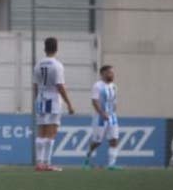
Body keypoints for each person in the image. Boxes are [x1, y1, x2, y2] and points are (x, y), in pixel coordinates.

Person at [33, 37, 75, 172]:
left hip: (40, 98)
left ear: (44, 48)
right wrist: (69, 103)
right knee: (52, 132)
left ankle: (39, 163)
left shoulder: (38, 64)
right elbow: (60, 86)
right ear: (56, 48)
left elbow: (35, 85)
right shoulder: (57, 65)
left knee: (41, 131)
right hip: (53, 100)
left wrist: (37, 99)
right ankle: (47, 163)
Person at [84, 65, 120, 170]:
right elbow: (94, 101)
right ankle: (87, 158)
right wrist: (102, 113)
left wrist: (113, 112)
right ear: (103, 73)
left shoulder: (114, 86)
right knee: (97, 142)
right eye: (109, 72)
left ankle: (111, 164)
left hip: (112, 117)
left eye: (112, 73)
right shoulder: (97, 86)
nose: (112, 74)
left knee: (114, 140)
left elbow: (114, 101)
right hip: (100, 118)